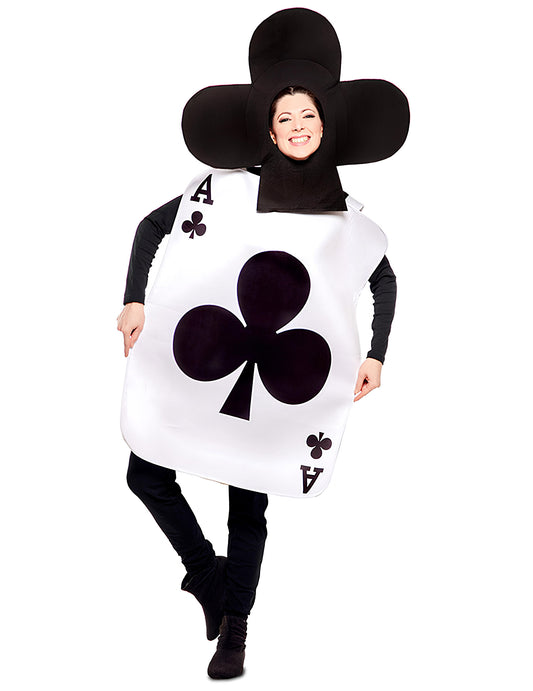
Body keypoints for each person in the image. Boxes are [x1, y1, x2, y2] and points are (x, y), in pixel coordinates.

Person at [118, 8, 408, 681]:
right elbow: (154, 227)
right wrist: (135, 298)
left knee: (248, 504)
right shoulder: (222, 190)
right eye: (286, 118)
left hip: (284, 376)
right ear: (269, 130)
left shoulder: (345, 220)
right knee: (144, 472)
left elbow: (382, 278)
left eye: (308, 116)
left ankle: (236, 630)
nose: (299, 126)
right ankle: (206, 574)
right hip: (208, 353)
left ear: (325, 125)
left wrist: (376, 353)